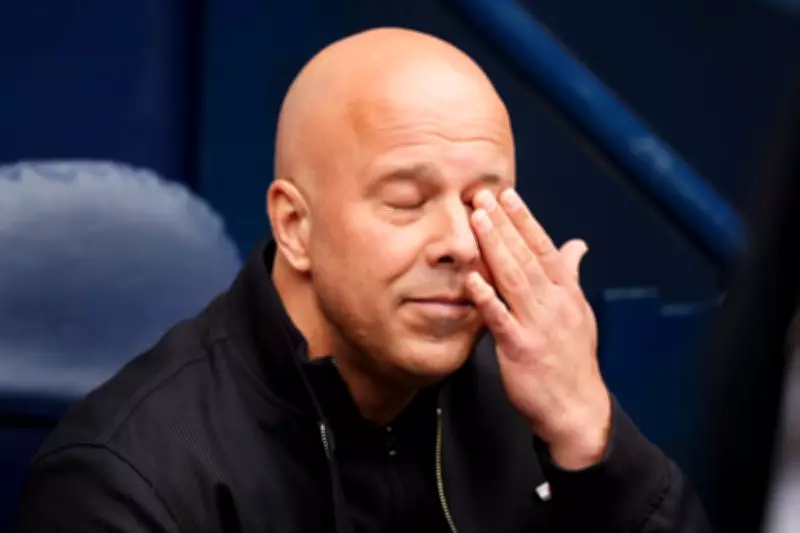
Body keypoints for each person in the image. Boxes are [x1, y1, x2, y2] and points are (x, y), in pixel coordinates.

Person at [15, 28, 710, 532]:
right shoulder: (128, 481)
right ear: (295, 226)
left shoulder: (525, 402)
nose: (460, 243)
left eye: (484, 203)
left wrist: (589, 436)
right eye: (406, 201)